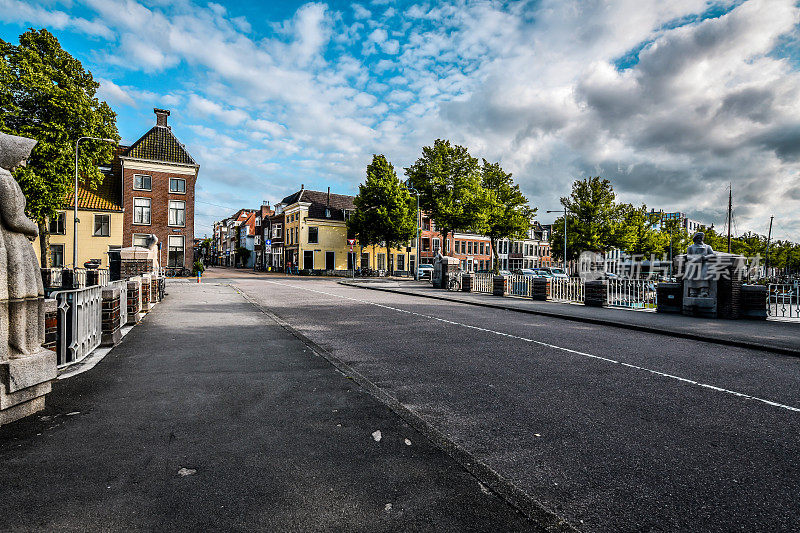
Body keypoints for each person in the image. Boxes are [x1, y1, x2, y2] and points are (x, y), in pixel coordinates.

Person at [0, 133, 44, 358]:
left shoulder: (6, 177)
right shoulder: (4, 180)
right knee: (19, 294)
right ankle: (21, 344)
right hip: (13, 248)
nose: (23, 163)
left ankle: (21, 344)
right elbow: (14, 218)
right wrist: (34, 227)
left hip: (15, 246)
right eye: (22, 157)